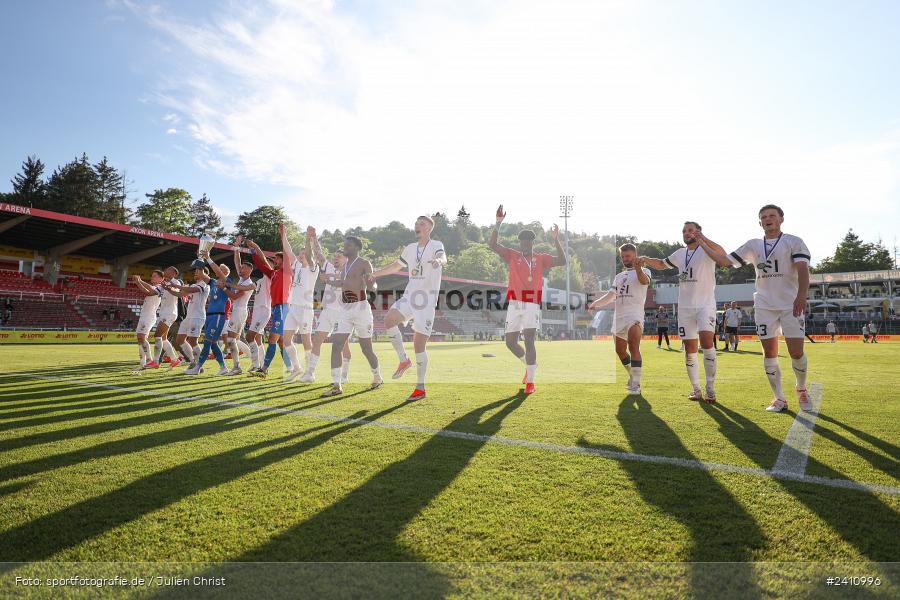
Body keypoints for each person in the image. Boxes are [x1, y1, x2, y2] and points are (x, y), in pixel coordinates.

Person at [697, 204, 812, 413]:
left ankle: (801, 388)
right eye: (763, 217)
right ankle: (779, 398)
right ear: (760, 222)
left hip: (790, 305)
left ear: (781, 219)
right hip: (764, 305)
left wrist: (801, 296)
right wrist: (702, 240)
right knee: (769, 352)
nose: (768, 219)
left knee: (796, 352)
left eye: (772, 216)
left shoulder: (794, 242)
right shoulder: (753, 245)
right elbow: (724, 261)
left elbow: (803, 270)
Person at [641, 222, 724, 402]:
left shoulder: (707, 249)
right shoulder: (679, 253)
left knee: (707, 343)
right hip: (685, 307)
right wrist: (646, 259)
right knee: (690, 350)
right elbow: (662, 264)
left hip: (705, 305)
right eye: (684, 231)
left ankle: (710, 387)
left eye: (690, 230)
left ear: (698, 232)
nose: (687, 233)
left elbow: (722, 255)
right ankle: (696, 389)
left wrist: (704, 239)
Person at [488, 205, 566, 395]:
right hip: (514, 303)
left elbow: (562, 261)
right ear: (519, 242)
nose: (525, 243)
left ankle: (530, 381)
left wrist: (556, 241)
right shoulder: (512, 255)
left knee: (529, 339)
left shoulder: (541, 258)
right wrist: (498, 223)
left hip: (532, 302)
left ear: (532, 242)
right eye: (522, 240)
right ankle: (529, 365)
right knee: (510, 342)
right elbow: (492, 245)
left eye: (528, 240)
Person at [370, 215, 447, 400]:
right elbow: (396, 266)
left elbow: (442, 257)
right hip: (410, 296)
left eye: (422, 224)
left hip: (427, 301)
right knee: (389, 320)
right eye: (416, 223)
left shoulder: (436, 244)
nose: (417, 226)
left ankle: (420, 388)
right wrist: (375, 274)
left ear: (429, 228)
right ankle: (404, 360)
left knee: (419, 344)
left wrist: (439, 262)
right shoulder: (410, 248)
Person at [321, 236, 382, 396]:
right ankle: (336, 386)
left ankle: (377, 377)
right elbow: (342, 283)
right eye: (344, 245)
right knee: (337, 345)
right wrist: (328, 281)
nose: (345, 248)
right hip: (345, 309)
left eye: (348, 246)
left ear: (356, 247)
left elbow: (373, 285)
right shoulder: (346, 266)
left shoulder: (364, 263)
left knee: (366, 349)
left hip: (361, 308)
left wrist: (370, 283)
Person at [589, 244, 651, 395]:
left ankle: (635, 384)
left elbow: (644, 281)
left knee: (634, 346)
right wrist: (595, 304)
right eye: (623, 257)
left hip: (634, 315)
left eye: (628, 256)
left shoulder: (645, 270)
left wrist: (637, 268)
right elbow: (611, 296)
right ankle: (631, 374)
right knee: (620, 351)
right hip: (619, 316)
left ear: (635, 255)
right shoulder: (618, 277)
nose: (625, 259)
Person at [245, 223, 294, 379]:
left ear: (281, 260)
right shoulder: (273, 274)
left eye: (276, 258)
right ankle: (291, 368)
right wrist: (252, 250)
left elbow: (287, 253)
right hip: (277, 309)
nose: (274, 260)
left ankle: (264, 369)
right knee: (280, 342)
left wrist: (282, 234)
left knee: (272, 339)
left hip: (283, 308)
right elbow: (259, 263)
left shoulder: (287, 271)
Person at [302, 248, 352, 383]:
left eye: (339, 256)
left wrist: (329, 277)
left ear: (346, 258)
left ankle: (344, 376)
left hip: (343, 312)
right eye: (334, 256)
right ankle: (310, 373)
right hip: (327, 311)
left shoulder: (350, 269)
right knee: (317, 339)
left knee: (343, 345)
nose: (335, 258)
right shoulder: (329, 267)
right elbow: (319, 255)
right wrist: (312, 238)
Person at [162, 264, 210, 369]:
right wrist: (169, 289)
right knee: (179, 340)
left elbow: (191, 291)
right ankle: (193, 360)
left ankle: (199, 365)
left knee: (193, 341)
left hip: (197, 316)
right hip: (189, 317)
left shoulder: (204, 285)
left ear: (204, 274)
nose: (195, 273)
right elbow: (180, 295)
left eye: (198, 272)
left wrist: (175, 285)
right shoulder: (193, 285)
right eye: (195, 272)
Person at [237, 235, 271, 373]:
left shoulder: (270, 276)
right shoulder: (260, 281)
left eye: (269, 263)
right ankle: (261, 365)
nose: (264, 265)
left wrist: (255, 246)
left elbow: (262, 259)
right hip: (257, 311)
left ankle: (256, 364)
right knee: (257, 338)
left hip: (263, 310)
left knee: (249, 336)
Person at [221, 252, 255, 375]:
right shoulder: (242, 279)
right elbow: (237, 261)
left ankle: (237, 367)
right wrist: (236, 249)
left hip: (239, 312)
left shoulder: (247, 283)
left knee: (231, 340)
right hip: (238, 312)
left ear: (249, 270)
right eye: (240, 267)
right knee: (235, 340)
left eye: (243, 267)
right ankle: (255, 362)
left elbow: (235, 297)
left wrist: (224, 288)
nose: (240, 268)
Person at [143, 266, 183, 369]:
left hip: (170, 313)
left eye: (167, 270)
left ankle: (156, 362)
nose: (165, 271)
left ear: (173, 273)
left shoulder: (176, 282)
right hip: (164, 313)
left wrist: (168, 287)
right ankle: (174, 360)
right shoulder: (163, 284)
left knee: (157, 336)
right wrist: (140, 282)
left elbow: (179, 293)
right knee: (163, 338)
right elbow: (152, 291)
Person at [131, 270, 164, 369]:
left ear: (161, 278)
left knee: (142, 337)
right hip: (144, 315)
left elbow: (149, 289)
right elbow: (145, 291)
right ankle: (142, 363)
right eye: (152, 276)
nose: (152, 277)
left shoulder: (160, 287)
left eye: (154, 276)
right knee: (139, 339)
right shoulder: (153, 288)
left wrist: (140, 280)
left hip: (149, 316)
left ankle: (149, 360)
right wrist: (137, 282)